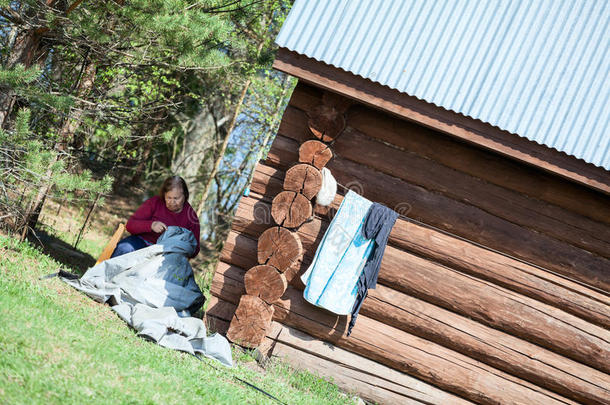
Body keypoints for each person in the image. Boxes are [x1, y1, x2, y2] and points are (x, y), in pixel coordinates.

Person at [111, 176, 200, 258]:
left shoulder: (191, 217)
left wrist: (179, 243)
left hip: (166, 255)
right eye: (169, 198)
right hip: (141, 242)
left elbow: (195, 250)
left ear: (185, 196)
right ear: (164, 195)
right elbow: (130, 225)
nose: (172, 202)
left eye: (176, 198)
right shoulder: (155, 202)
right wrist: (151, 225)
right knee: (124, 248)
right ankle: (106, 275)